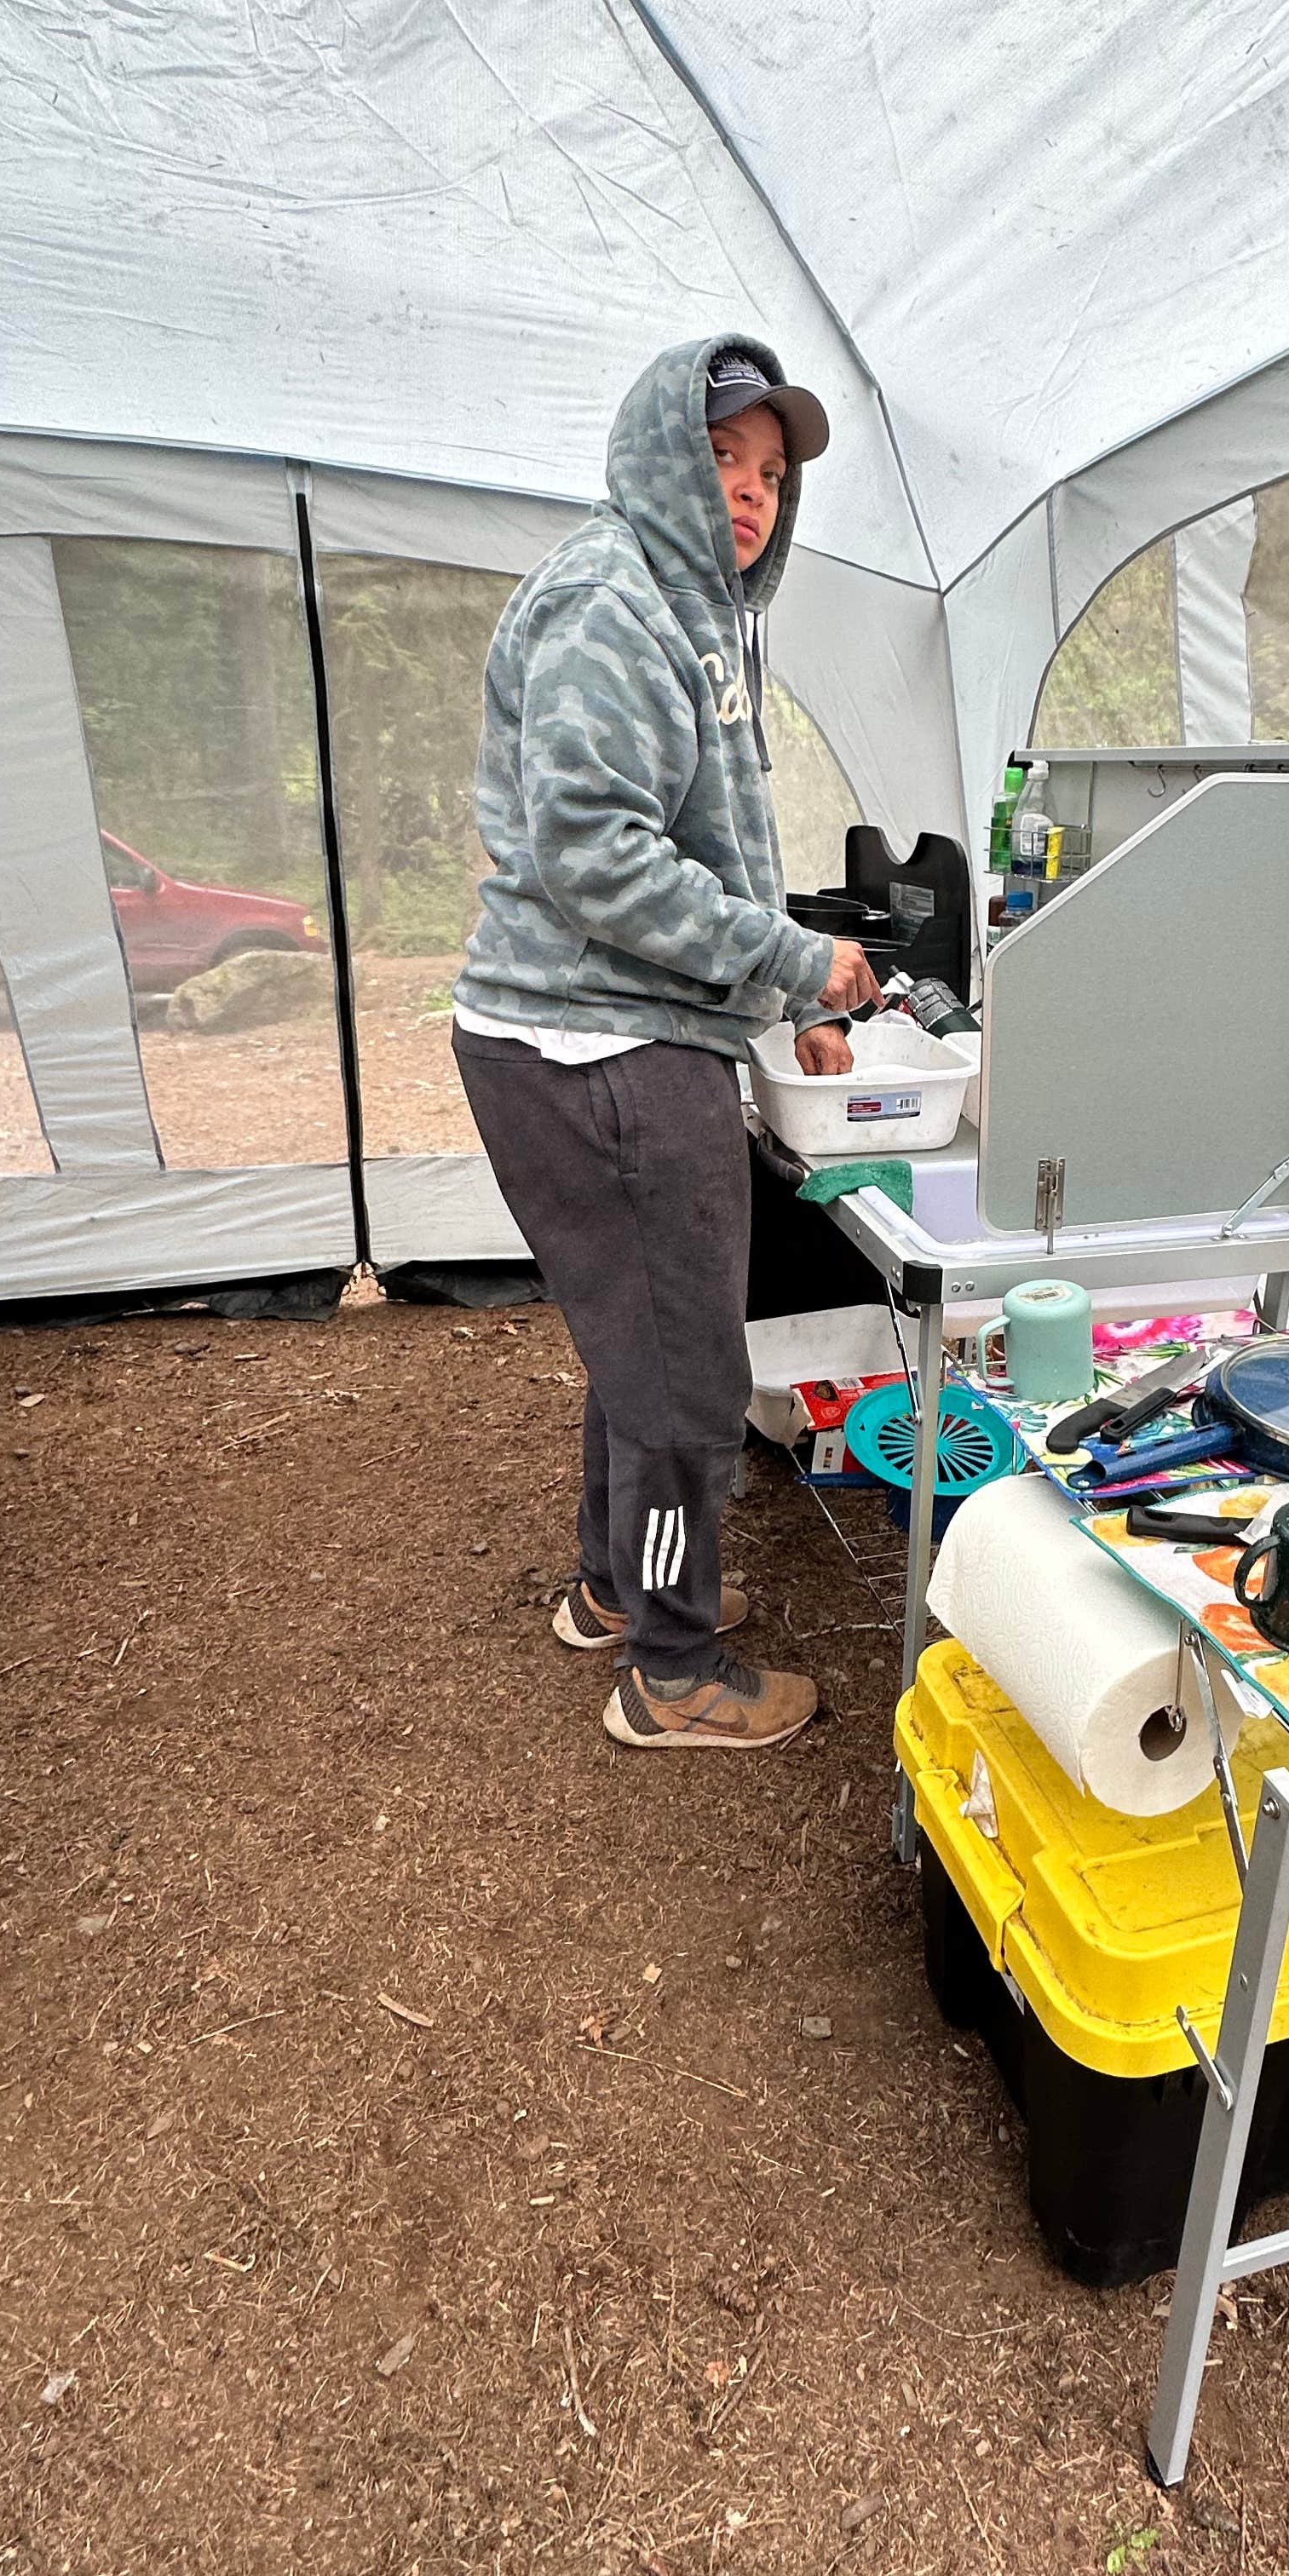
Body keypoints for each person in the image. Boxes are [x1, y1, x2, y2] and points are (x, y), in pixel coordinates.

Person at [452, 335, 878, 1751]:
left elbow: (718, 844)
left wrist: (797, 999)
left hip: (596, 1035)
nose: (749, 492)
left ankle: (615, 1590)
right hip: (598, 1049)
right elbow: (600, 862)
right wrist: (799, 961)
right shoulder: (616, 605)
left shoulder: (693, 616)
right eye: (721, 458)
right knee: (690, 1377)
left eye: (769, 473)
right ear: (656, 454)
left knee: (636, 1352)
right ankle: (676, 1669)